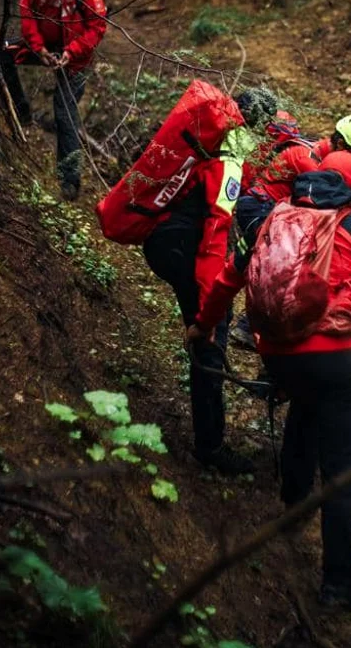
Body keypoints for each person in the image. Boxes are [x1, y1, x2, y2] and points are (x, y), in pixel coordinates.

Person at [186, 151, 351, 611]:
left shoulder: (273, 220)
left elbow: (228, 279)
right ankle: (339, 583)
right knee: (341, 469)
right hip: (337, 359)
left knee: (304, 405)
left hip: (279, 354)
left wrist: (202, 324)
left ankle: (294, 502)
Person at [142, 88, 276, 475]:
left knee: (205, 334)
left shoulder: (213, 146)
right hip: (183, 250)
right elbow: (214, 242)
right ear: (253, 128)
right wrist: (207, 314)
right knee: (209, 342)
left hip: (167, 242)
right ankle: (210, 445)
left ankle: (209, 436)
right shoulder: (226, 165)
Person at [229, 114, 351, 348]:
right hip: (259, 206)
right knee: (277, 263)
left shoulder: (329, 159)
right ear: (339, 144)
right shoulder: (309, 161)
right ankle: (249, 325)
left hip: (279, 208)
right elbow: (327, 207)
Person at [0, 0, 107, 201]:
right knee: (0, 54)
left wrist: (71, 52)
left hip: (74, 58)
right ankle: (22, 113)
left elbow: (97, 27)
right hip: (43, 49)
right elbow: (27, 15)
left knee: (64, 112)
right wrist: (39, 49)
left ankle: (70, 181)